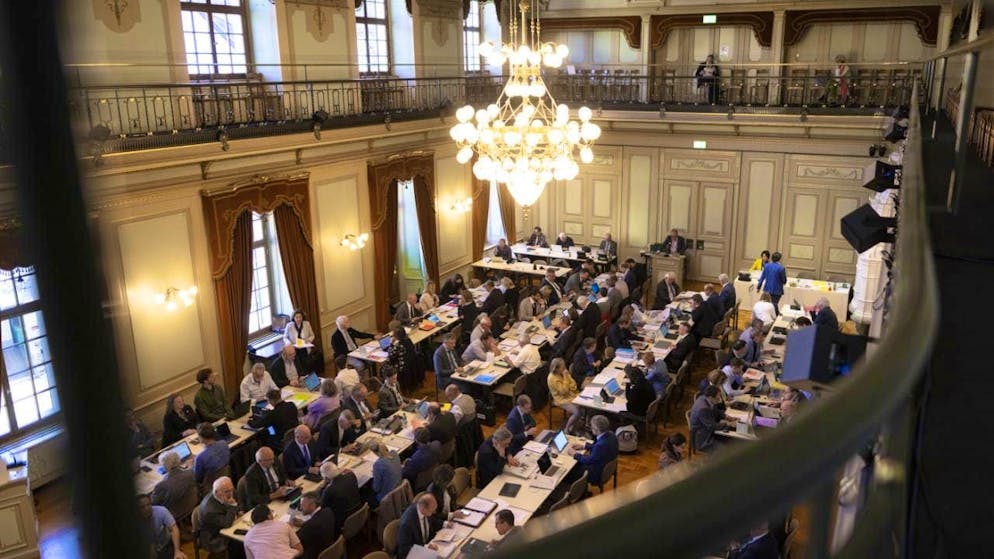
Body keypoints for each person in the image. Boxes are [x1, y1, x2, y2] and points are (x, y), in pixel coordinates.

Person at [570, 415, 618, 487]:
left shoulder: (600, 446)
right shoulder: (611, 435)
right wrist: (584, 446)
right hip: (606, 465)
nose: (590, 428)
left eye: (591, 426)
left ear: (596, 429)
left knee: (571, 470)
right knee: (578, 462)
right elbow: (601, 450)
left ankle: (580, 491)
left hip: (596, 473)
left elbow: (589, 461)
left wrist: (574, 454)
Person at [196, 477, 238, 556]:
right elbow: (227, 524)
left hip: (223, 527)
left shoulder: (223, 492)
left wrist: (239, 510)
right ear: (216, 492)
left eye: (231, 489)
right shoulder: (209, 511)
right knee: (237, 542)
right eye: (227, 491)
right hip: (213, 537)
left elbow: (237, 499)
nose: (231, 493)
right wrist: (232, 505)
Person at [137, 494, 186, 559]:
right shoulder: (135, 521)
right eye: (142, 507)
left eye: (148, 504)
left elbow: (174, 529)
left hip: (166, 545)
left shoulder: (161, 511)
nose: (147, 508)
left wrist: (177, 551)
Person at [292, 491, 337, 559]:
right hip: (328, 549)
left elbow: (295, 541)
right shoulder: (328, 511)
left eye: (303, 505)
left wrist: (287, 528)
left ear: (312, 505)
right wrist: (304, 524)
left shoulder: (310, 526)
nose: (300, 508)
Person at [151, 450, 196, 517]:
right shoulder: (191, 473)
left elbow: (153, 504)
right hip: (190, 505)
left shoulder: (161, 485)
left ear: (165, 466)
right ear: (179, 461)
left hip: (172, 513)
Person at [690, 386, 736, 452]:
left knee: (732, 439)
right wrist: (727, 423)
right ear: (711, 397)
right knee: (726, 451)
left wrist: (726, 417)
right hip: (704, 438)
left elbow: (715, 410)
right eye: (718, 398)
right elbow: (712, 426)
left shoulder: (705, 398)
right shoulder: (703, 409)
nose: (719, 400)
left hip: (709, 430)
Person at [319, 462, 362, 532]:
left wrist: (322, 487)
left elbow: (322, 506)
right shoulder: (351, 475)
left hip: (344, 520)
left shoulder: (329, 490)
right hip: (358, 510)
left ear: (326, 478)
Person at [397, 494, 444, 559]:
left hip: (428, 548)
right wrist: (425, 547)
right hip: (413, 554)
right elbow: (404, 549)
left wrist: (445, 524)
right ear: (423, 509)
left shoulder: (423, 509)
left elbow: (433, 520)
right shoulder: (407, 523)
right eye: (432, 511)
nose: (434, 512)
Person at [547, 357, 581, 435]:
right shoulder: (552, 378)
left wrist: (569, 385)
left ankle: (573, 427)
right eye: (562, 367)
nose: (564, 368)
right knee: (576, 412)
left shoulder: (563, 372)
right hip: (561, 399)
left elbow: (574, 384)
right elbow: (564, 392)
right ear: (556, 369)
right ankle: (567, 429)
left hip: (570, 395)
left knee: (582, 405)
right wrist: (566, 378)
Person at [369, 440, 403, 506]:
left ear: (374, 452)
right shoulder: (394, 453)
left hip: (386, 497)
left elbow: (376, 488)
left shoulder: (378, 464)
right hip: (398, 489)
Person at [388, 326, 420, 391]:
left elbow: (390, 355)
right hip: (410, 363)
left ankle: (390, 384)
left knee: (386, 366)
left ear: (396, 336)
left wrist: (391, 344)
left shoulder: (399, 345)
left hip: (402, 366)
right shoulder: (408, 340)